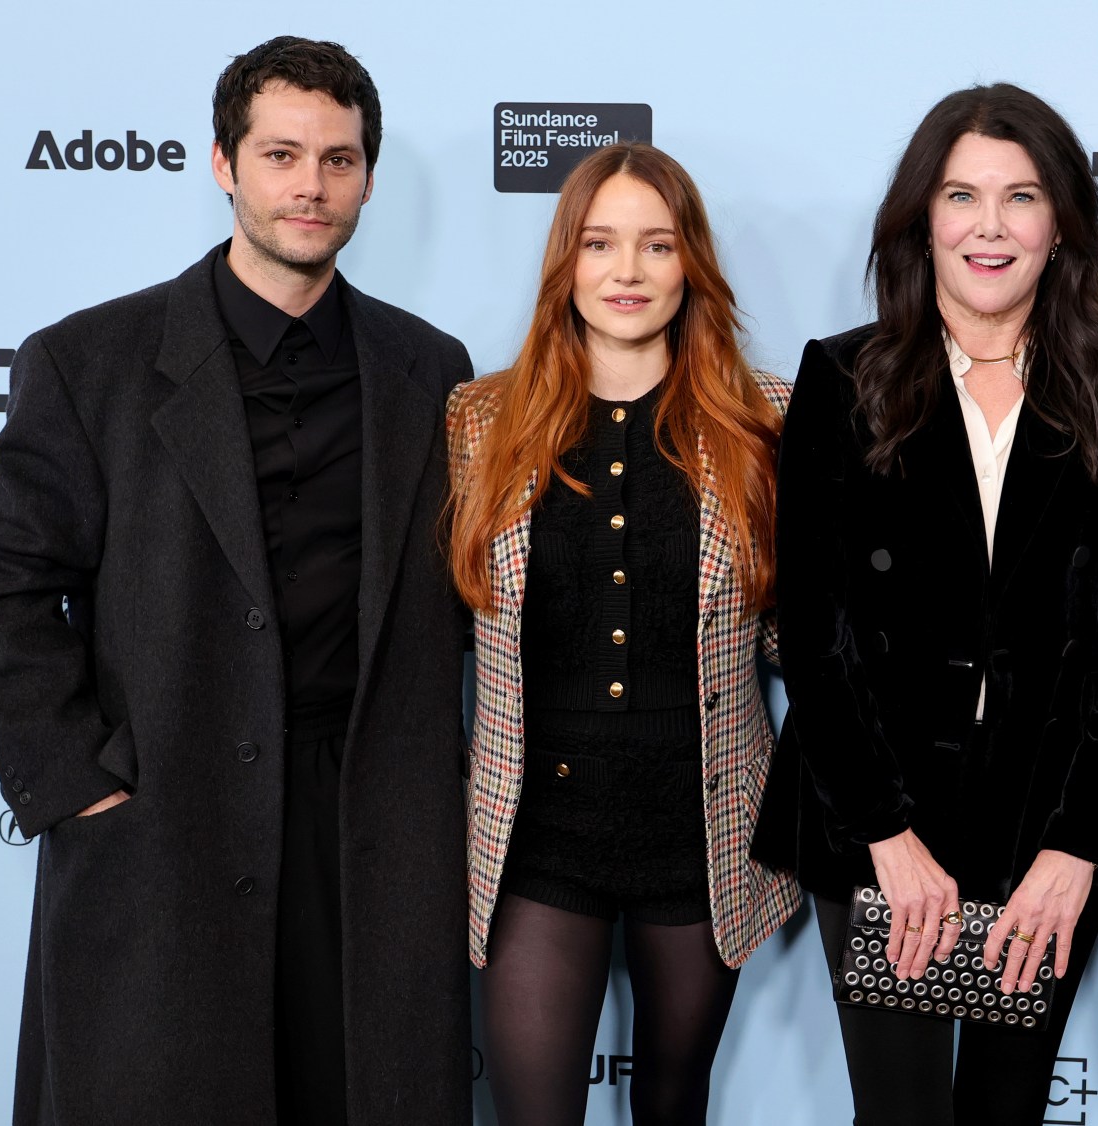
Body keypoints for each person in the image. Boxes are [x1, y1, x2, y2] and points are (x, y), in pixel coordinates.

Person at [0, 36, 474, 1126]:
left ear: (368, 176)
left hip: (370, 828)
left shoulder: (431, 367)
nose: (309, 187)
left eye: (337, 159)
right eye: (281, 155)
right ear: (224, 165)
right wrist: (72, 779)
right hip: (168, 821)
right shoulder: (91, 361)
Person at [752, 84, 1098, 1125]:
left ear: (1062, 222)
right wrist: (888, 840)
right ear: (920, 219)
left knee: (1003, 1109)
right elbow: (813, 630)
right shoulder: (843, 377)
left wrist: (1075, 852)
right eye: (961, 195)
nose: (989, 226)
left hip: (1043, 829)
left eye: (1020, 196)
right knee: (897, 1114)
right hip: (876, 823)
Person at [446, 143, 798, 1126]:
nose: (628, 272)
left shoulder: (765, 418)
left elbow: (796, 636)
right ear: (567, 262)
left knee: (672, 1107)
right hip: (534, 839)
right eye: (600, 243)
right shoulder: (478, 420)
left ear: (690, 264)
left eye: (656, 244)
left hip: (700, 832)